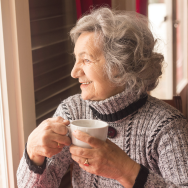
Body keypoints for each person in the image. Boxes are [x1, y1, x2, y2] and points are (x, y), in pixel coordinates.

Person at [17, 7, 188, 188]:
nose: (74, 72)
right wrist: (33, 154)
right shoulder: (73, 111)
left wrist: (126, 170)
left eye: (86, 60)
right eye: (76, 60)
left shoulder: (167, 125)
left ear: (120, 65)